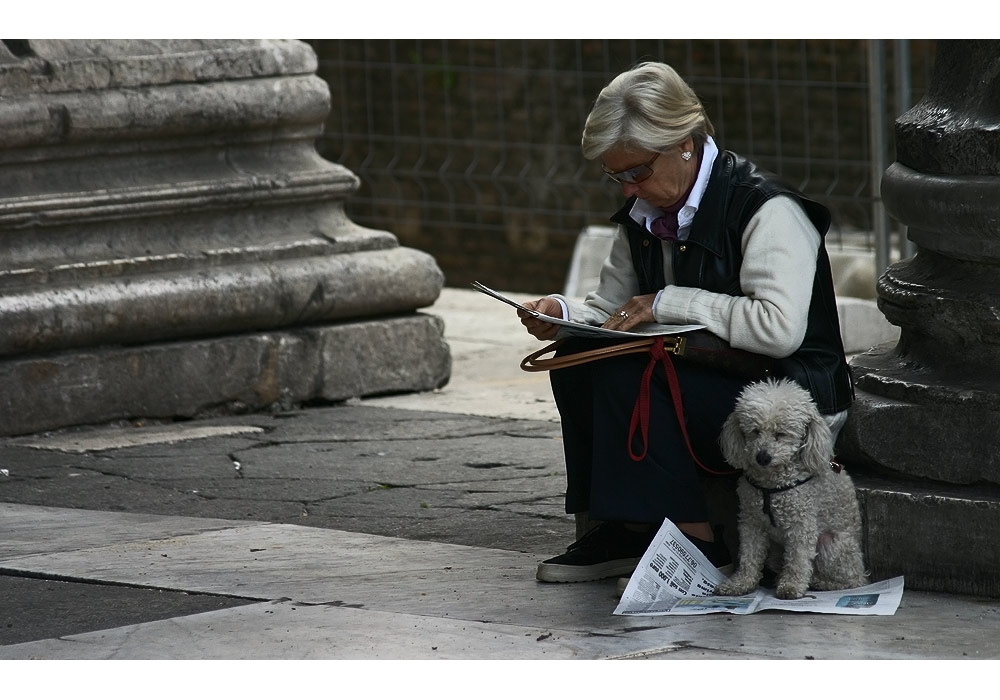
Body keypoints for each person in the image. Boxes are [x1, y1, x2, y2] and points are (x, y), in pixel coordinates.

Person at [518, 61, 853, 584]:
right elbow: (613, 311)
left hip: (786, 387)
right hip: (700, 370)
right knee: (578, 357)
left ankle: (696, 539)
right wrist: (563, 317)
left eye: (637, 172)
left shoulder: (768, 208)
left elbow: (779, 329)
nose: (628, 190)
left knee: (637, 371)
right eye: (616, 175)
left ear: (684, 144)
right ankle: (624, 525)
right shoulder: (644, 214)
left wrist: (672, 302)